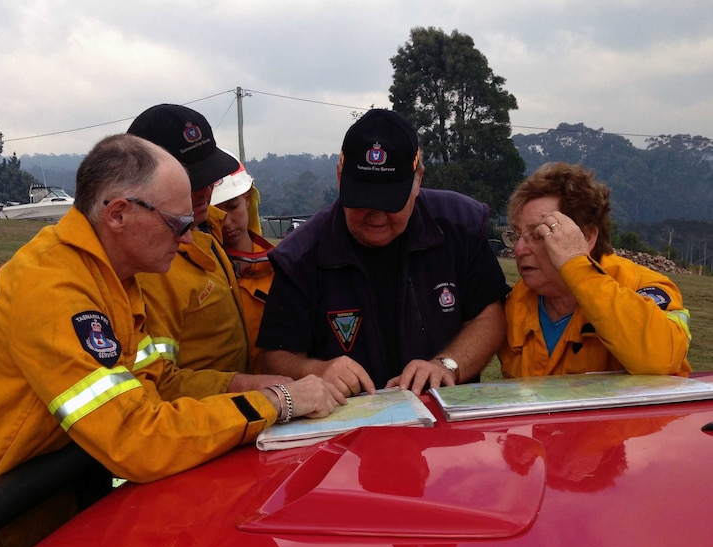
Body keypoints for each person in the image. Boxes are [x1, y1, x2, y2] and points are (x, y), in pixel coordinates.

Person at [0, 134, 341, 547]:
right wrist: (275, 404)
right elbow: (134, 439)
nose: (188, 241)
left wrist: (247, 385)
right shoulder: (54, 292)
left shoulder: (109, 278)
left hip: (25, 515)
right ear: (118, 213)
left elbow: (155, 382)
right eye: (179, 225)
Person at [256, 109, 510, 396]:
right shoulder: (299, 255)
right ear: (340, 178)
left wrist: (447, 365)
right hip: (346, 426)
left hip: (443, 423)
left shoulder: (461, 223)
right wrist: (316, 371)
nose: (376, 216)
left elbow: (488, 314)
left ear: (418, 180)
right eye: (362, 199)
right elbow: (274, 356)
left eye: (390, 202)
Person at [127, 104, 284, 400]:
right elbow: (159, 384)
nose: (205, 190)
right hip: (204, 417)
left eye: (209, 175)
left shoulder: (210, 229)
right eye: (191, 180)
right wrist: (251, 389)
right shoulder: (150, 264)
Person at [497, 162, 691, 377]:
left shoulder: (642, 286)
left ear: (587, 236)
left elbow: (659, 360)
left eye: (539, 234)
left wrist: (577, 265)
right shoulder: (514, 304)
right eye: (516, 235)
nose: (520, 249)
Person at [210, 150, 275, 368]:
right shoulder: (198, 273)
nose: (225, 222)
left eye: (231, 206)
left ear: (247, 200)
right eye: (214, 212)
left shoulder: (281, 266)